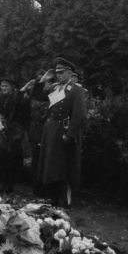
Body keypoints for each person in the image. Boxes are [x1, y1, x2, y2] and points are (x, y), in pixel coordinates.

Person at [36, 57, 87, 208]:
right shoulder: (55, 88)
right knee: (51, 166)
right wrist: (44, 79)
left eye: (61, 72)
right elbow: (38, 96)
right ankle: (53, 198)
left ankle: (65, 199)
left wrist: (70, 134)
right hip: (50, 131)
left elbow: (80, 115)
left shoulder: (76, 90)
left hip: (63, 131)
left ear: (70, 73)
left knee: (63, 167)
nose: (58, 75)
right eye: (57, 73)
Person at [0, 77, 30, 193]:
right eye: (2, 86)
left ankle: (10, 184)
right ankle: (3, 183)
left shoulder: (17, 98)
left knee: (12, 158)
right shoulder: (0, 98)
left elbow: (20, 110)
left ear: (12, 87)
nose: (3, 88)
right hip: (2, 131)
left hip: (14, 132)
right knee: (2, 158)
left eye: (6, 86)